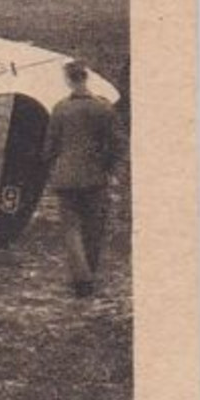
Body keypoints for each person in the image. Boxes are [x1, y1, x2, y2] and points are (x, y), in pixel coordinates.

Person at [42, 60, 125, 297]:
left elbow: (49, 147)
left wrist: (51, 165)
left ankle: (82, 279)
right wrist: (107, 167)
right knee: (94, 228)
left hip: (65, 178)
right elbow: (118, 145)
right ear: (86, 78)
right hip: (95, 177)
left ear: (68, 80)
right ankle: (90, 273)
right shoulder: (104, 108)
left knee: (71, 229)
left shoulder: (59, 109)